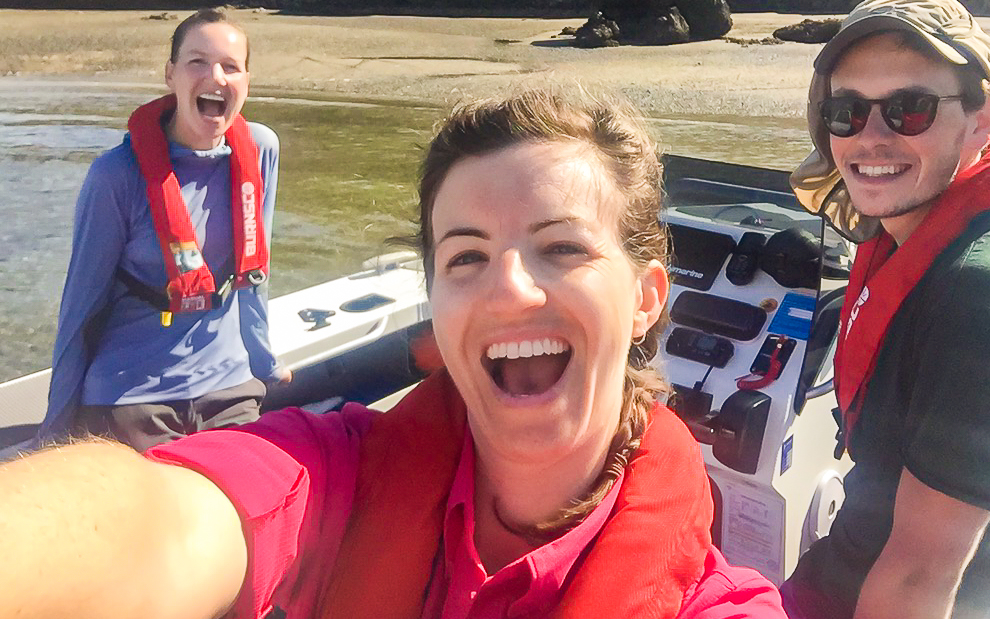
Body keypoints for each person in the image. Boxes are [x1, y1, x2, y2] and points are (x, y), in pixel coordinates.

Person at [0, 89, 787, 619]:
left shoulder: (720, 601)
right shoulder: (336, 478)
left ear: (648, 294)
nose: (509, 289)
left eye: (562, 247)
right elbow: (158, 522)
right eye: (466, 257)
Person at [786, 0, 990, 619]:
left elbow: (920, 576)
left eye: (910, 109)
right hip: (848, 558)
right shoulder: (913, 226)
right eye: (847, 111)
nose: (871, 138)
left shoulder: (980, 301)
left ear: (980, 118)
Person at [36, 7, 289, 453]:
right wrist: (54, 431)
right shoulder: (116, 175)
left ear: (246, 81)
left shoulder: (262, 151)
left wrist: (266, 363)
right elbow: (79, 309)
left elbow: (254, 276)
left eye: (230, 66)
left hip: (227, 388)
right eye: (197, 62)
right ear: (170, 75)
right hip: (132, 396)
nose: (215, 76)